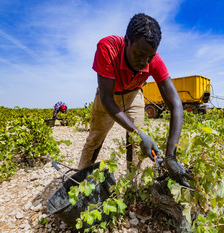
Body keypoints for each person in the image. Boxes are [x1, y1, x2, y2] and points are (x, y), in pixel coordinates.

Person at [78, 13, 192, 188]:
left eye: (149, 57)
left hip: (134, 94)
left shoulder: (153, 59)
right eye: (140, 54)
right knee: (95, 139)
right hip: (108, 94)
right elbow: (107, 99)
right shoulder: (107, 48)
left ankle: (133, 186)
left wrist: (170, 156)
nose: (145, 62)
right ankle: (80, 181)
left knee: (139, 145)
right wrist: (137, 132)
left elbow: (176, 104)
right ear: (127, 41)